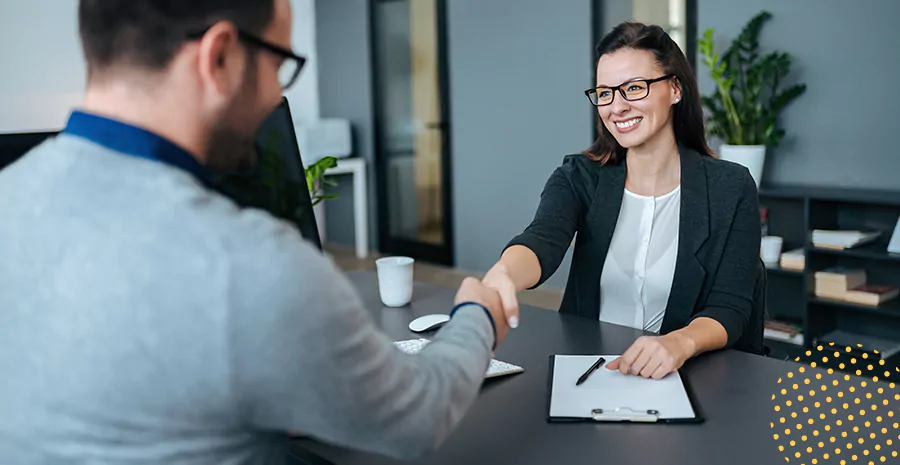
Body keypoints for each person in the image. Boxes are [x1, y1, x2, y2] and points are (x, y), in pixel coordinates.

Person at [0, 1, 511, 463]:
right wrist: (476, 316)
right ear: (219, 56)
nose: (276, 93)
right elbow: (417, 418)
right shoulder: (243, 263)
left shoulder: (9, 195)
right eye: (277, 65)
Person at [482, 22, 761, 380]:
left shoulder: (730, 186)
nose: (617, 107)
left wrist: (679, 343)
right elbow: (542, 239)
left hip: (686, 374)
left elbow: (730, 306)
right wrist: (502, 276)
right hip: (589, 370)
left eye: (633, 88)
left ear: (675, 89)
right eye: (604, 93)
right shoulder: (580, 175)